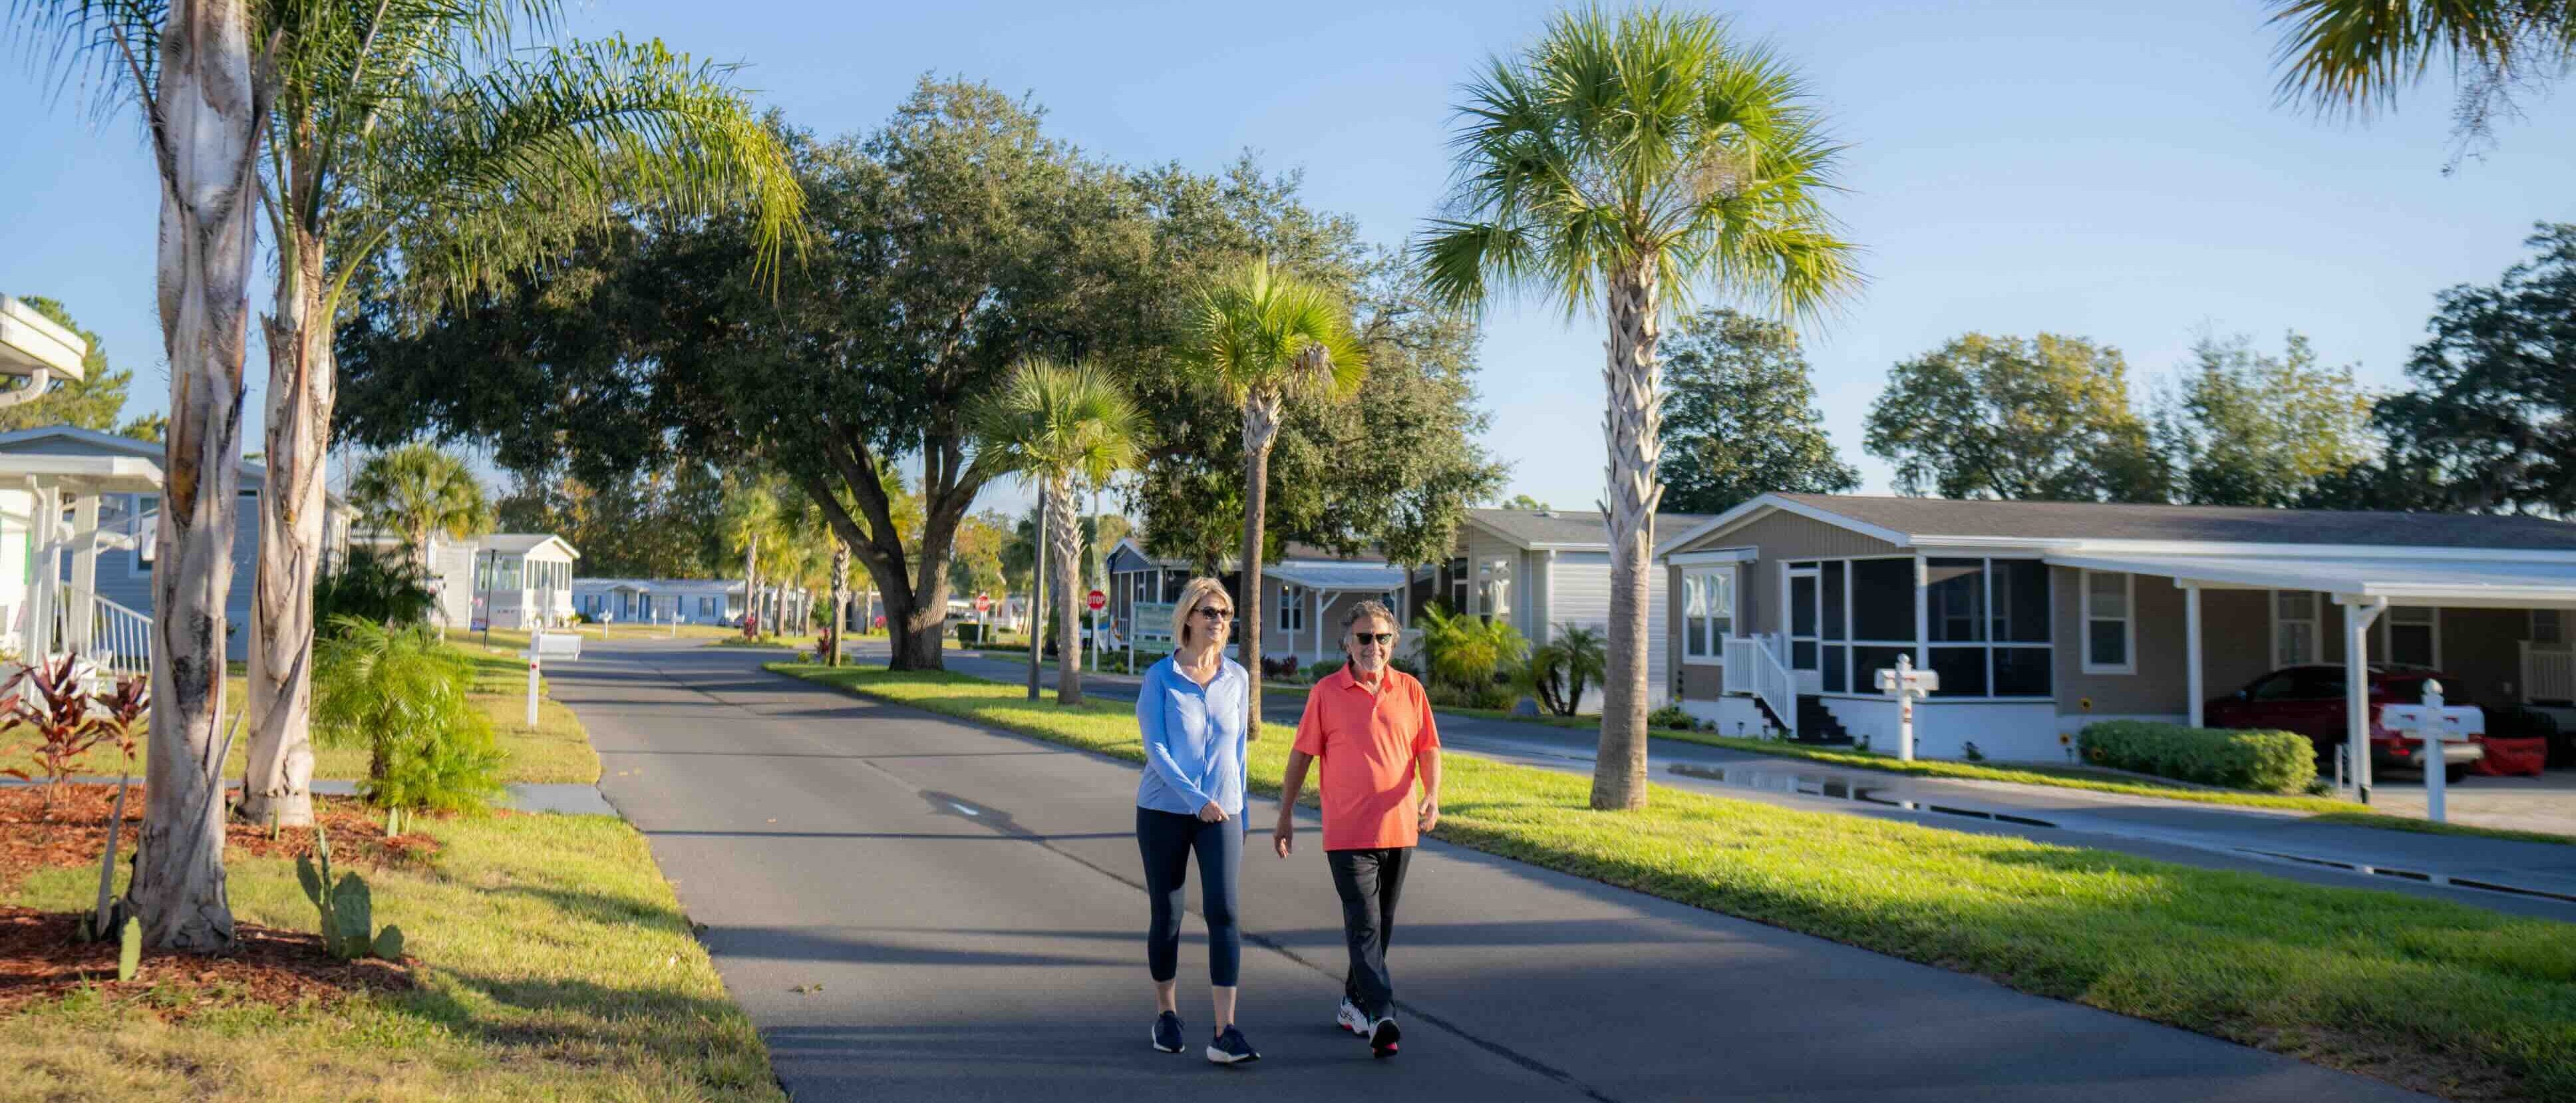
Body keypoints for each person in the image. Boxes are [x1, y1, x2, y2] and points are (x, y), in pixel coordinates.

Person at [1273, 600, 1441, 1058]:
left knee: (1380, 927)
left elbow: (1428, 748)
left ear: (1393, 643)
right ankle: (1382, 1013)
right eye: (1364, 638)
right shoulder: (1326, 693)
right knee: (1364, 925)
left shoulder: (1409, 690)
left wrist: (1432, 794)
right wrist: (1286, 815)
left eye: (1382, 638)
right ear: (1346, 642)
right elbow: (1301, 757)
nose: (1374, 646)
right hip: (1347, 833)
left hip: (1400, 828)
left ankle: (1353, 1001)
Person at [1134, 576, 1259, 1064]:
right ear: (1188, 618)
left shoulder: (1238, 678)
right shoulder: (1160, 677)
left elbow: (1239, 753)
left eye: (1225, 614)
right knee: (1167, 914)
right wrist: (1195, 799)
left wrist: (1241, 811)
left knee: (1225, 912)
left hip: (1223, 811)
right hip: (1164, 809)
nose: (1218, 622)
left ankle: (1225, 1030)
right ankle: (1166, 1014)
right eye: (1209, 612)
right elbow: (1157, 751)